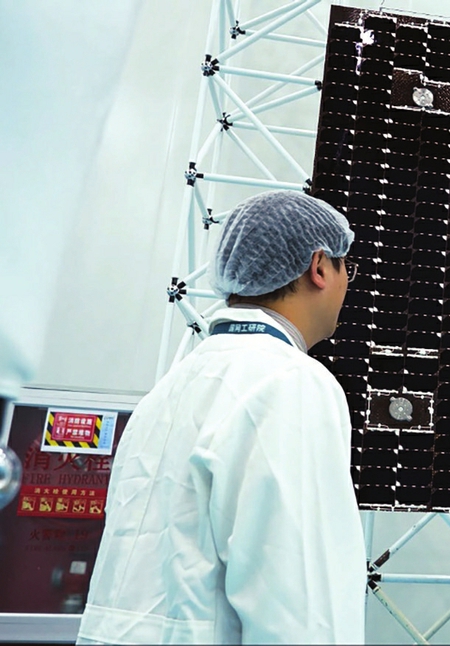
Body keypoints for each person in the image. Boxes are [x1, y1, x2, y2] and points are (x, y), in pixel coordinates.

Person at [77, 191, 366, 644]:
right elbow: (303, 606)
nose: (349, 283)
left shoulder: (169, 389)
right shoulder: (290, 382)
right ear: (319, 267)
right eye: (348, 267)